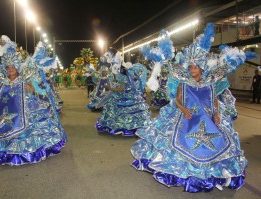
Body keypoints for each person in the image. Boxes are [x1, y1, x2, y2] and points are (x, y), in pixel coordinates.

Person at [131, 23, 252, 192]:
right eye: (190, 66)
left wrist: (217, 113)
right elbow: (178, 100)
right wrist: (183, 109)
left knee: (222, 140)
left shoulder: (210, 82)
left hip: (209, 117)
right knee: (177, 140)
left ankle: (212, 173)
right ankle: (185, 173)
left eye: (195, 67)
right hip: (187, 116)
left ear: (201, 68)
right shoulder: (184, 82)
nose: (191, 69)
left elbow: (214, 100)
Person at [0, 36, 67, 165]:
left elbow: (32, 90)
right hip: (4, 113)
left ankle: (25, 151)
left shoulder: (23, 79)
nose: (10, 69)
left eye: (13, 67)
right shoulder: (3, 81)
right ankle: (3, 151)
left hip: (25, 109)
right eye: (8, 68)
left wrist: (27, 86)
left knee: (29, 129)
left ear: (17, 67)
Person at [95, 63, 151, 136]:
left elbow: (121, 89)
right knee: (134, 112)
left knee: (120, 111)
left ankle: (123, 127)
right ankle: (136, 126)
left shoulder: (123, 77)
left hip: (123, 97)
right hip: (132, 96)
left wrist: (110, 88)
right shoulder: (130, 77)